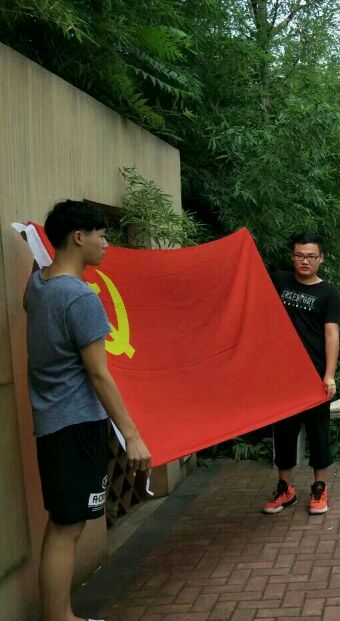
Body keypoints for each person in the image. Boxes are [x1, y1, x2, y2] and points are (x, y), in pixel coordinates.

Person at [25, 200, 152, 621]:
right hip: (76, 424)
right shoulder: (80, 297)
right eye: (101, 234)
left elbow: (36, 291)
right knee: (68, 528)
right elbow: (99, 375)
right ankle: (59, 618)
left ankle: (60, 615)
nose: (106, 243)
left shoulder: (38, 285)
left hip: (52, 422)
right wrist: (132, 435)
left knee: (63, 524)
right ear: (78, 237)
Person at [262, 233, 340, 516]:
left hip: (314, 376)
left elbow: (331, 335)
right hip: (283, 376)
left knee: (318, 433)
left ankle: (319, 488)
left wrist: (329, 375)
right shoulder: (279, 281)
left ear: (321, 258)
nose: (304, 261)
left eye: (310, 256)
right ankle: (285, 489)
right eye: (299, 255)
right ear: (292, 256)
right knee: (284, 433)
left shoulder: (328, 293)